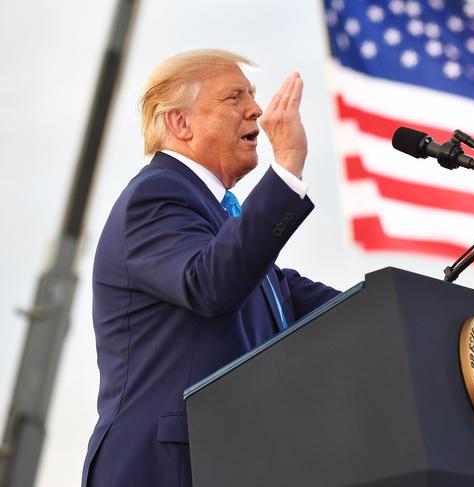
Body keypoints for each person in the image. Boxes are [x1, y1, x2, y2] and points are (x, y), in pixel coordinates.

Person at [81, 49, 340, 487]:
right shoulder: (156, 195)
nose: (255, 109)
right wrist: (287, 170)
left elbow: (327, 306)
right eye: (234, 97)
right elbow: (211, 283)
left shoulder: (222, 222)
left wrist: (418, 308)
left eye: (252, 95)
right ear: (180, 123)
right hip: (165, 469)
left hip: (226, 461)